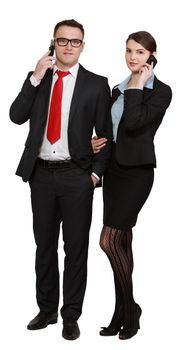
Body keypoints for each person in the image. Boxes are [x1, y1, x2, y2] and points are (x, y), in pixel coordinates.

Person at [10, 19, 111, 340]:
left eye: (75, 41)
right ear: (53, 43)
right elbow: (16, 115)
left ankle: (71, 315)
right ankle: (47, 310)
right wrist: (35, 77)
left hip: (77, 176)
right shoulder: (39, 80)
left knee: (76, 248)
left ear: (83, 45)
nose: (68, 46)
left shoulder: (96, 84)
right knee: (44, 247)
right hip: (40, 174)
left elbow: (106, 136)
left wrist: (94, 175)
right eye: (62, 40)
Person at [91, 31, 172, 340]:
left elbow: (136, 122)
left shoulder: (161, 91)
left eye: (140, 52)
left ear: (151, 55)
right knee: (122, 243)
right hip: (113, 173)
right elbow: (113, 130)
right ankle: (121, 310)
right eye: (128, 51)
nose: (133, 57)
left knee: (107, 241)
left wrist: (137, 85)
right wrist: (98, 141)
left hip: (137, 174)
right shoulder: (117, 88)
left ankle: (130, 309)